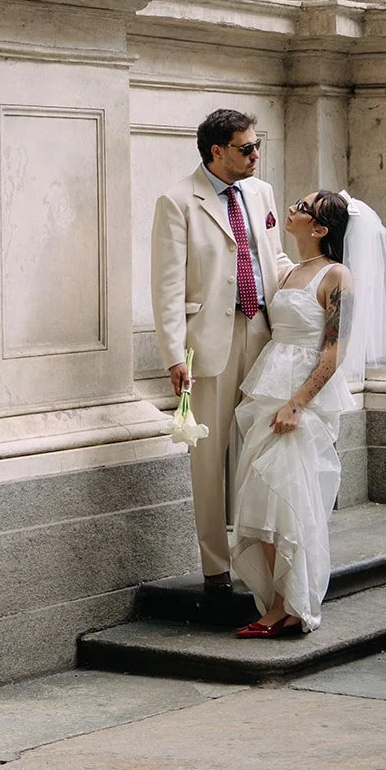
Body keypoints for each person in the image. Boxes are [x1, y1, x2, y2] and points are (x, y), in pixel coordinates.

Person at [230, 189, 386, 636]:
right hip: (269, 384)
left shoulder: (337, 276)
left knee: (287, 498)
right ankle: (281, 601)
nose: (292, 209)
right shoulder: (289, 270)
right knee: (262, 496)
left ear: (321, 229)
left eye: (302, 208)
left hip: (299, 398)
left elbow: (334, 350)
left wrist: (297, 403)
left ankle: (288, 606)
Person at [151, 108, 295, 588]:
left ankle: (260, 561)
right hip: (209, 342)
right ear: (217, 151)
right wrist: (174, 354)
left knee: (263, 450)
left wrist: (311, 281)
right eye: (246, 148)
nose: (256, 155)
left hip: (265, 332)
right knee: (209, 458)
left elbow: (273, 257)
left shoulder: (261, 192)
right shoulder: (177, 202)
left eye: (257, 146)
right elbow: (167, 287)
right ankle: (216, 567)